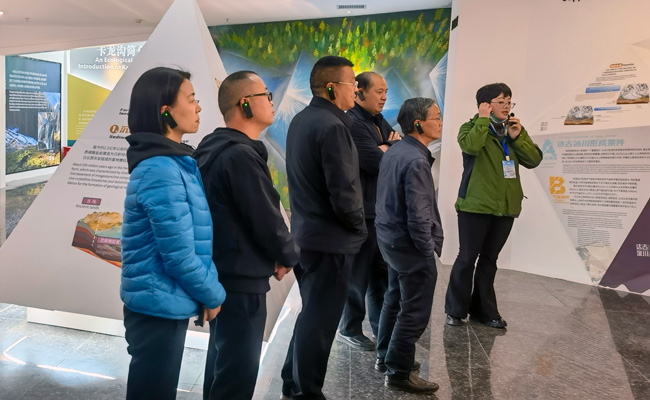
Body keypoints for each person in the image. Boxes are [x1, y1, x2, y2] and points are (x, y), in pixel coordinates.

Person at [120, 67, 226, 400]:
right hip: (156, 305)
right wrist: (213, 294)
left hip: (163, 300)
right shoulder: (161, 169)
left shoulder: (173, 162)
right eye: (191, 99)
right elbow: (178, 255)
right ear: (165, 111)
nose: (198, 107)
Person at [194, 71, 300, 400]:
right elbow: (264, 216)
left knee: (223, 362)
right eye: (265, 95)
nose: (271, 101)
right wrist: (287, 255)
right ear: (245, 104)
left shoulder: (215, 148)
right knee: (237, 371)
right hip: (240, 279)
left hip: (222, 272)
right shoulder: (239, 155)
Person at [281, 55, 367, 400]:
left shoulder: (303, 119)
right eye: (352, 83)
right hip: (330, 241)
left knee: (312, 315)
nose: (356, 90)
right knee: (320, 323)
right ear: (332, 88)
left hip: (307, 236)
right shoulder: (332, 126)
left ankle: (292, 381)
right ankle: (308, 391)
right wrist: (359, 228)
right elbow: (343, 191)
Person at [444, 83, 543, 329]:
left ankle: (485, 311)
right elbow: (471, 146)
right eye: (501, 102)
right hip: (475, 205)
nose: (506, 106)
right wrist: (482, 119)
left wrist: (518, 137)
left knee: (489, 260)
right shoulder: (470, 128)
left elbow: (534, 160)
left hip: (505, 207)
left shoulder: (513, 131)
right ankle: (455, 310)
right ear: (485, 105)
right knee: (467, 257)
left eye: (509, 102)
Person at [375, 97, 443, 395]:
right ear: (418, 123)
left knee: (394, 299)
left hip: (390, 239)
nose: (441, 122)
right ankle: (399, 371)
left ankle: (386, 357)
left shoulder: (397, 150)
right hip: (409, 245)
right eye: (436, 117)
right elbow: (419, 214)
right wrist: (427, 250)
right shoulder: (415, 160)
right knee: (414, 311)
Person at [337, 71, 400, 351]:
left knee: (380, 277)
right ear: (359, 91)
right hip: (361, 212)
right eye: (379, 91)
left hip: (380, 211)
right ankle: (349, 328)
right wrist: (388, 146)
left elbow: (395, 154)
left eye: (386, 91)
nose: (384, 97)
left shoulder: (378, 120)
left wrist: (388, 147)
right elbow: (375, 162)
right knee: (357, 276)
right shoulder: (353, 122)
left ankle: (380, 330)